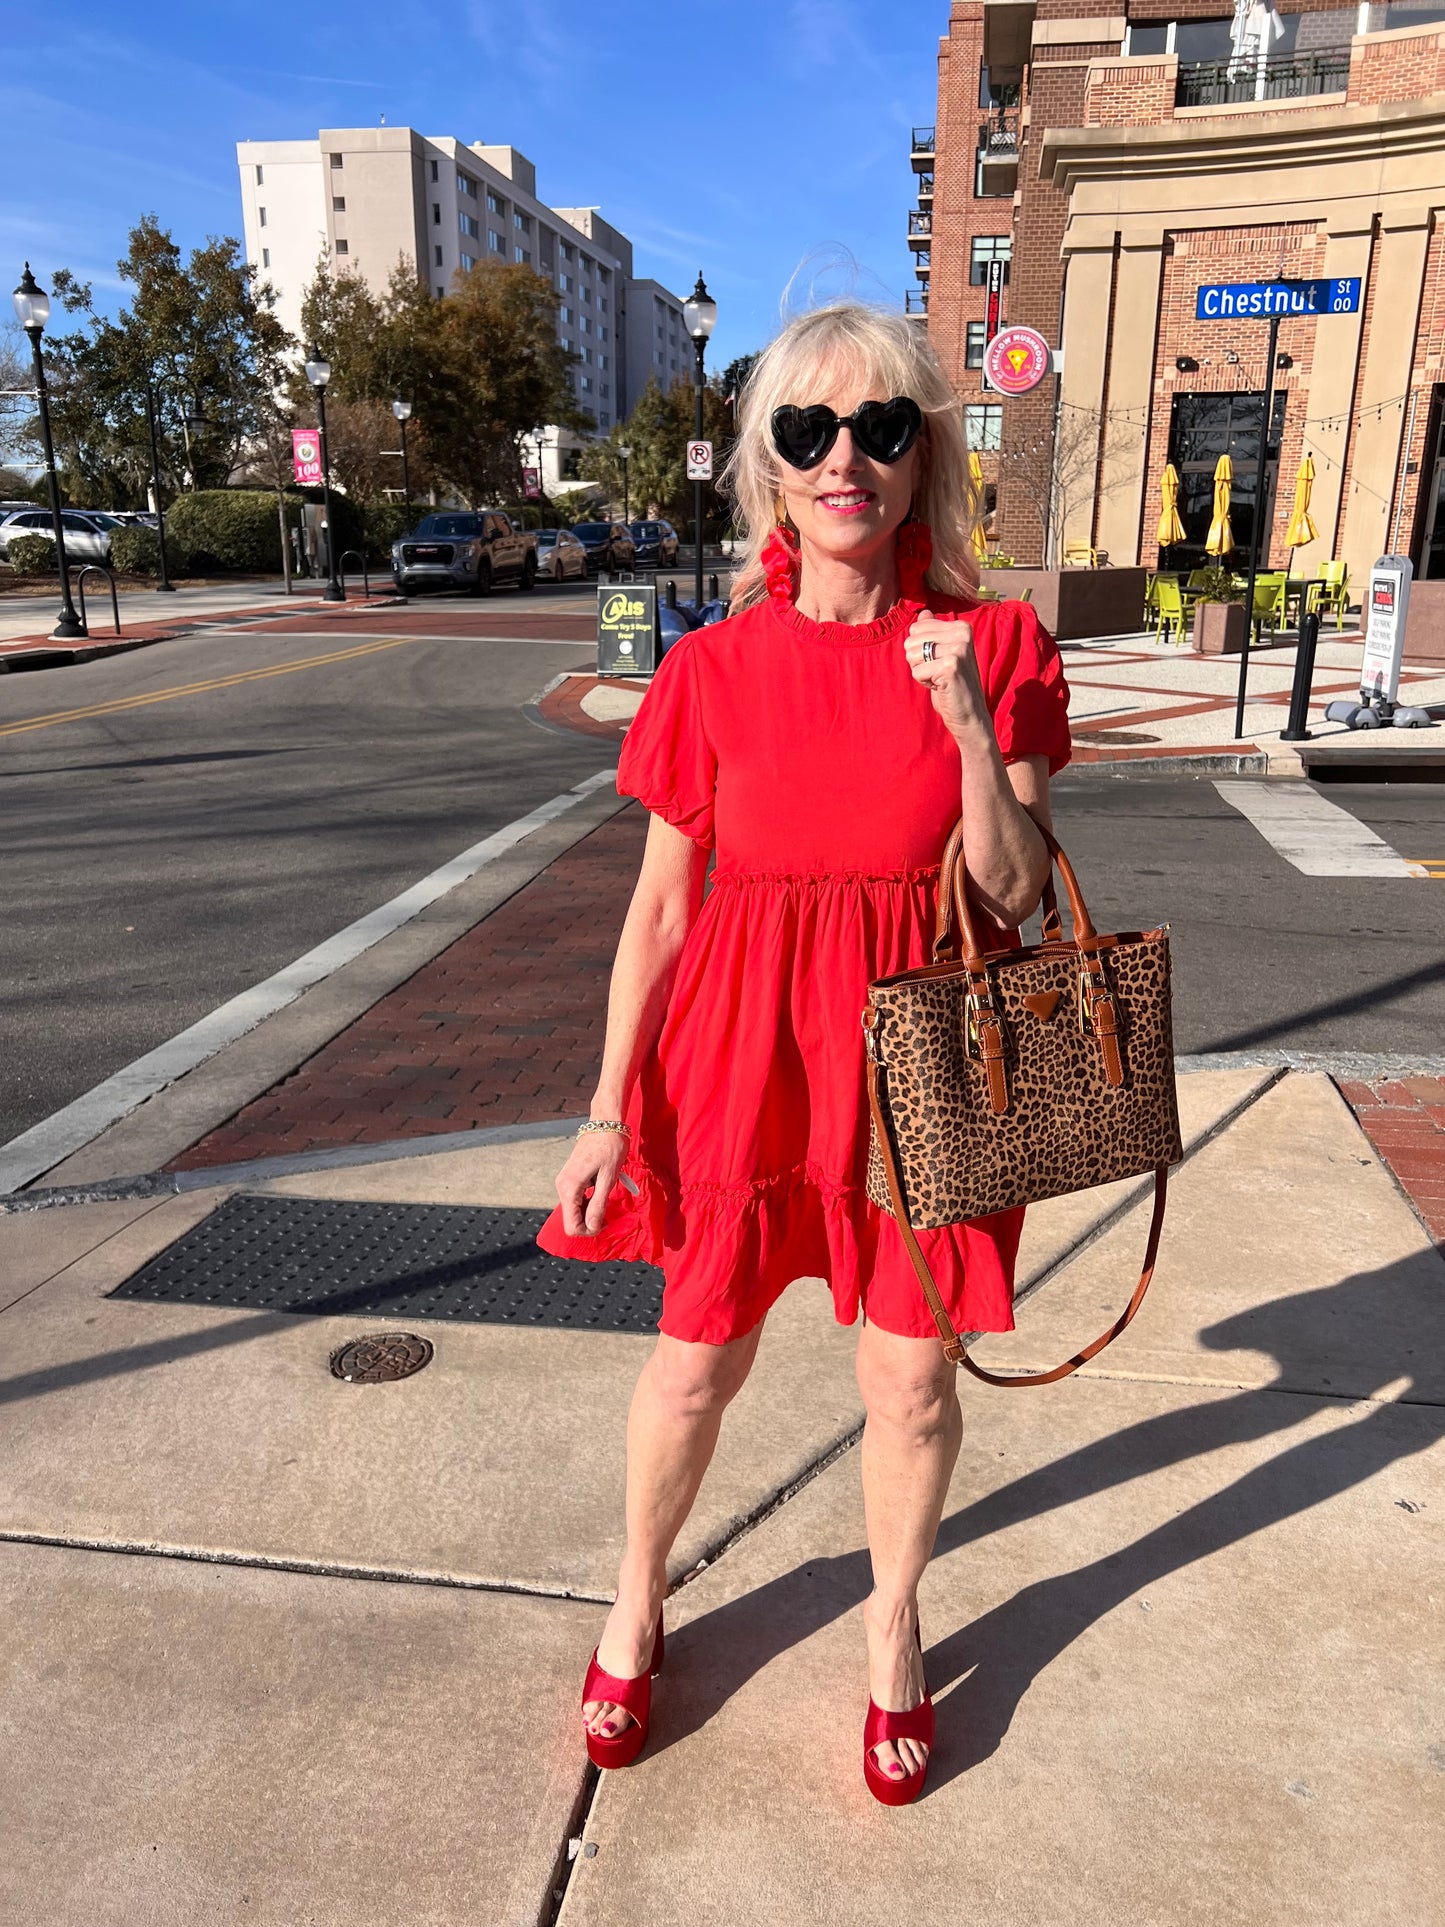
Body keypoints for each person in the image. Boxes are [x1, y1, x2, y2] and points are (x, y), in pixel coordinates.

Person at [536, 301, 1071, 1804]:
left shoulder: (999, 644)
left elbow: (1017, 893)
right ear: (767, 465)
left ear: (923, 460)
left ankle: (894, 1627)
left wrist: (967, 724)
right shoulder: (709, 671)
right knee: (693, 1363)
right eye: (809, 430)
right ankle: (637, 1597)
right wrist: (599, 1115)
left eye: (884, 429)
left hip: (927, 1060)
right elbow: (656, 911)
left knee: (906, 1384)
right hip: (744, 1062)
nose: (848, 459)